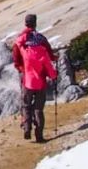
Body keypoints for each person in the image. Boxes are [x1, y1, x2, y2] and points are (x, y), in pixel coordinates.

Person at [11, 13, 57, 142]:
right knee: (38, 109)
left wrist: (21, 68)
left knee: (25, 105)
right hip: (41, 81)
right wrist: (53, 74)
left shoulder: (20, 41)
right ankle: (39, 136)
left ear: (25, 23)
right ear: (35, 23)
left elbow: (15, 59)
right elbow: (50, 57)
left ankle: (26, 127)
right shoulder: (41, 40)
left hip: (27, 79)